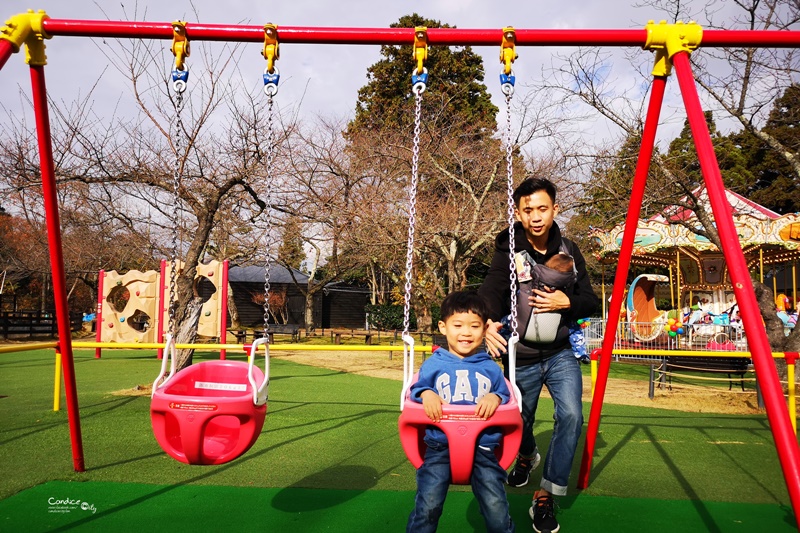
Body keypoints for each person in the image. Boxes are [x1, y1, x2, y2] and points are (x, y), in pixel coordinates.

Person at [479, 177, 599, 533]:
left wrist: (569, 302)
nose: (535, 217)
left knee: (573, 416)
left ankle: (546, 495)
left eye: (542, 209)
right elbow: (492, 289)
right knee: (520, 422)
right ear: (518, 212)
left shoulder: (569, 250)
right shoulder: (508, 250)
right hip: (521, 355)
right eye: (527, 210)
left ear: (555, 210)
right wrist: (486, 320)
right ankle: (527, 455)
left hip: (561, 352)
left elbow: (590, 300)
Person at [406, 290, 515, 533]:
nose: (466, 332)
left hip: (484, 449)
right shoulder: (434, 363)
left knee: (496, 508)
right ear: (443, 327)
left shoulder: (491, 367)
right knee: (428, 506)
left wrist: (494, 396)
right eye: (458, 325)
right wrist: (427, 393)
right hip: (439, 447)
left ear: (485, 329)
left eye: (474, 326)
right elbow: (416, 388)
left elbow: (506, 394)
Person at [498, 252, 590, 364]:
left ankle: (501, 348)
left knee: (504, 322)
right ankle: (580, 353)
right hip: (556, 327)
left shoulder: (535, 275)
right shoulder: (567, 283)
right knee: (575, 328)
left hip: (525, 320)